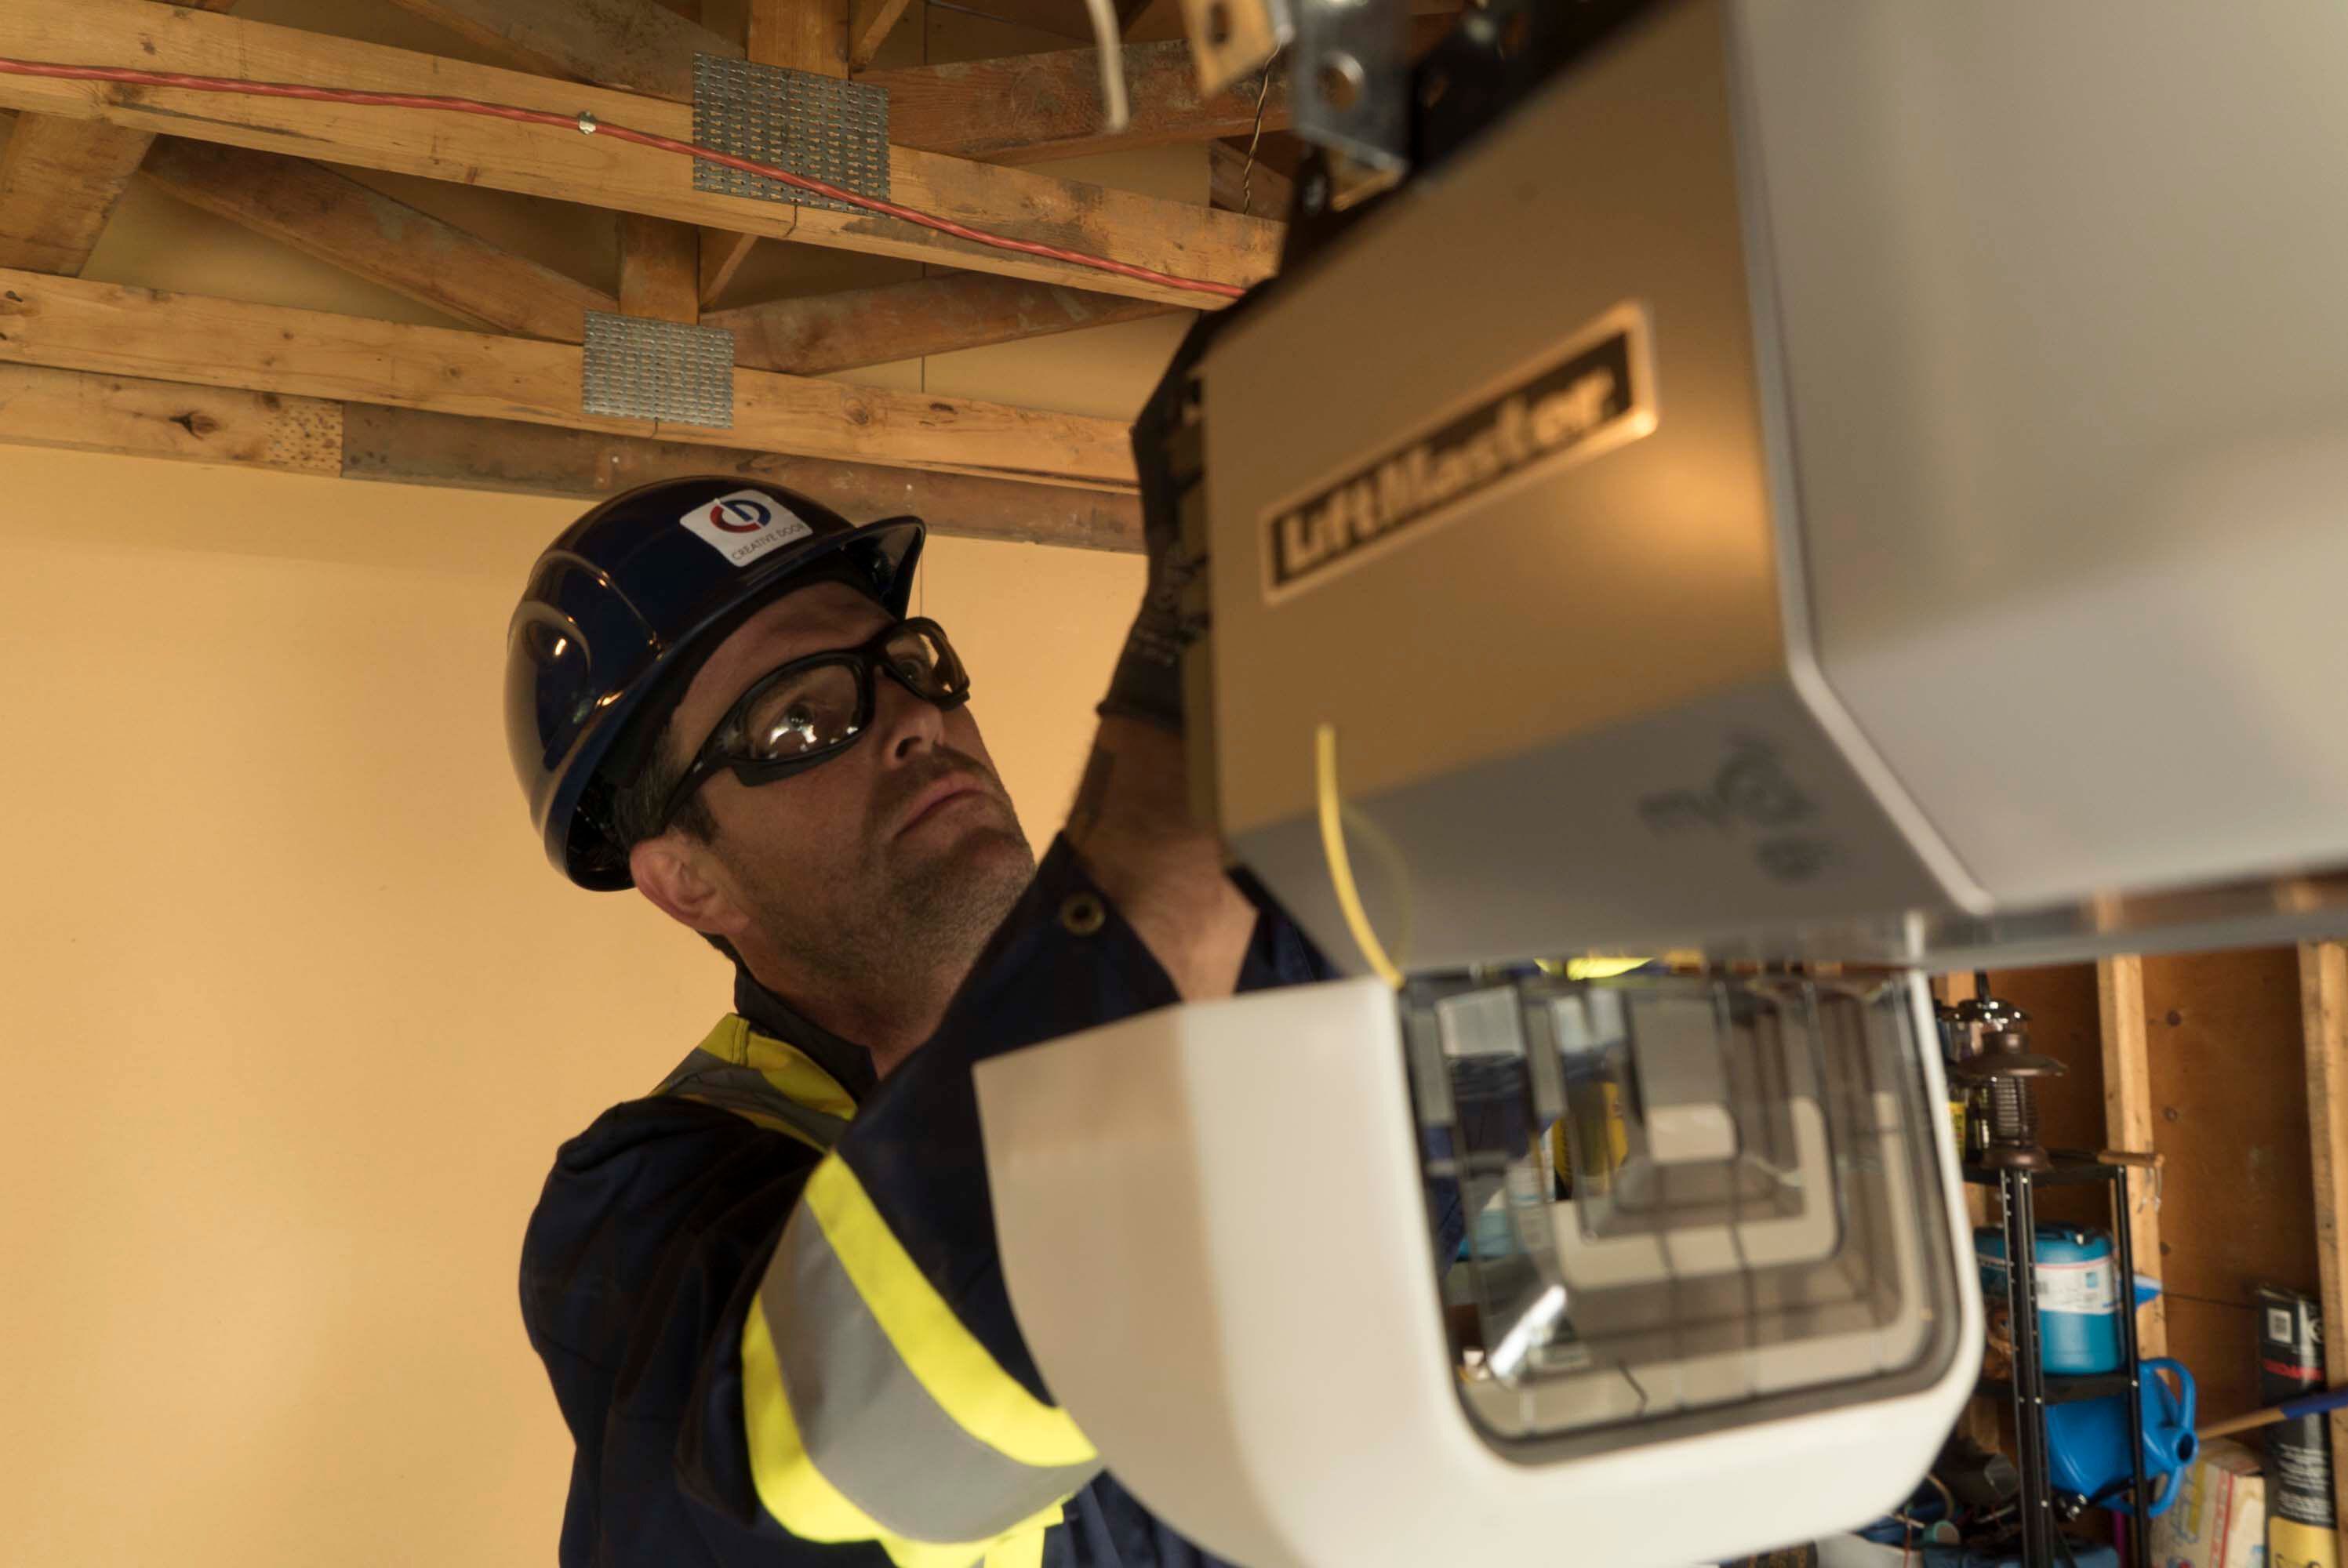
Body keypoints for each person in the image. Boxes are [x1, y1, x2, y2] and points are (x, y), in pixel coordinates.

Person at [504, 463, 1333, 1566]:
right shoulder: (643, 1223)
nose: (909, 719)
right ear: (689, 882)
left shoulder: (1207, 1016)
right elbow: (857, 1435)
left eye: (903, 665)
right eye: (796, 719)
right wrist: (1181, 722)